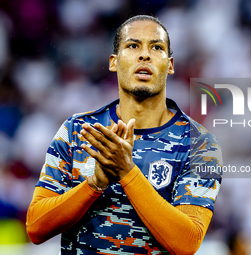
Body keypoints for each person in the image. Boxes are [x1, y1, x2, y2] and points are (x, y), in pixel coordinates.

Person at [26, 15, 223, 255]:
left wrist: (127, 172)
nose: (145, 55)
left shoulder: (199, 144)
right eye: (133, 46)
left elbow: (187, 242)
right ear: (113, 62)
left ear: (170, 65)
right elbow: (36, 227)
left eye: (156, 47)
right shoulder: (77, 130)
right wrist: (95, 184)